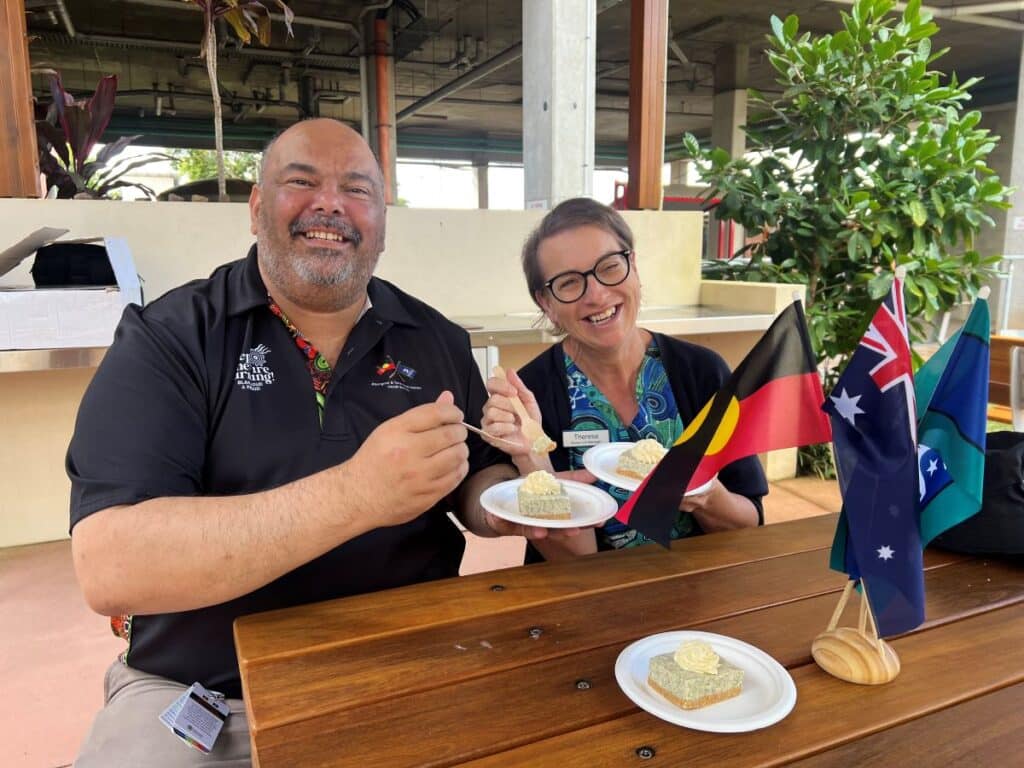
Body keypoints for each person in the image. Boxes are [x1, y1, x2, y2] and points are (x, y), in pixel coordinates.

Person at [66, 119, 571, 766]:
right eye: (300, 182)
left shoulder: (435, 339)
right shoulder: (173, 338)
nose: (329, 203)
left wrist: (514, 492)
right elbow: (111, 566)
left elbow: (476, 487)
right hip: (207, 698)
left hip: (404, 672)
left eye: (355, 189)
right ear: (255, 208)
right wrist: (358, 493)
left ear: (382, 221)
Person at [480, 197, 768, 553]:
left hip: (700, 590)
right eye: (569, 283)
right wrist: (532, 461)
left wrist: (705, 495)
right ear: (546, 304)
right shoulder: (533, 397)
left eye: (609, 266)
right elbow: (578, 563)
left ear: (633, 265)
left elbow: (750, 522)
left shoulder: (702, 372)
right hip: (588, 598)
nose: (597, 295)